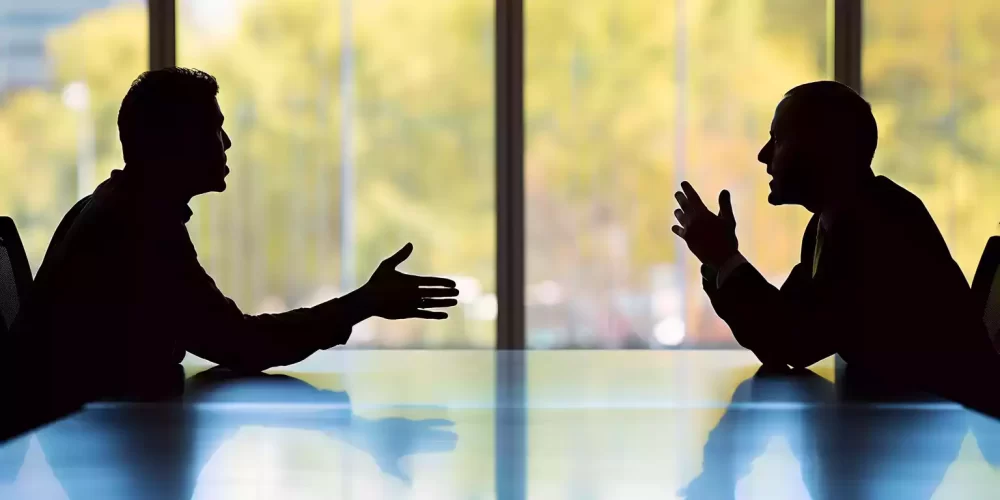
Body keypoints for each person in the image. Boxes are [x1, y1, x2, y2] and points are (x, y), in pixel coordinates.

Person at [5, 67, 459, 412]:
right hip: (97, 439)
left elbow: (223, 337)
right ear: (170, 143)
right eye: (211, 129)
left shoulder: (112, 207)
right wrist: (363, 303)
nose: (226, 143)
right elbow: (240, 343)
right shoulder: (138, 227)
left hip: (93, 434)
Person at [671, 81, 997, 408]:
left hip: (956, 425)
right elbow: (777, 336)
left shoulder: (879, 223)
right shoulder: (826, 224)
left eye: (778, 140)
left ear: (822, 148)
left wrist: (725, 256)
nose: (763, 155)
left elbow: (795, 341)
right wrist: (719, 261)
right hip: (905, 422)